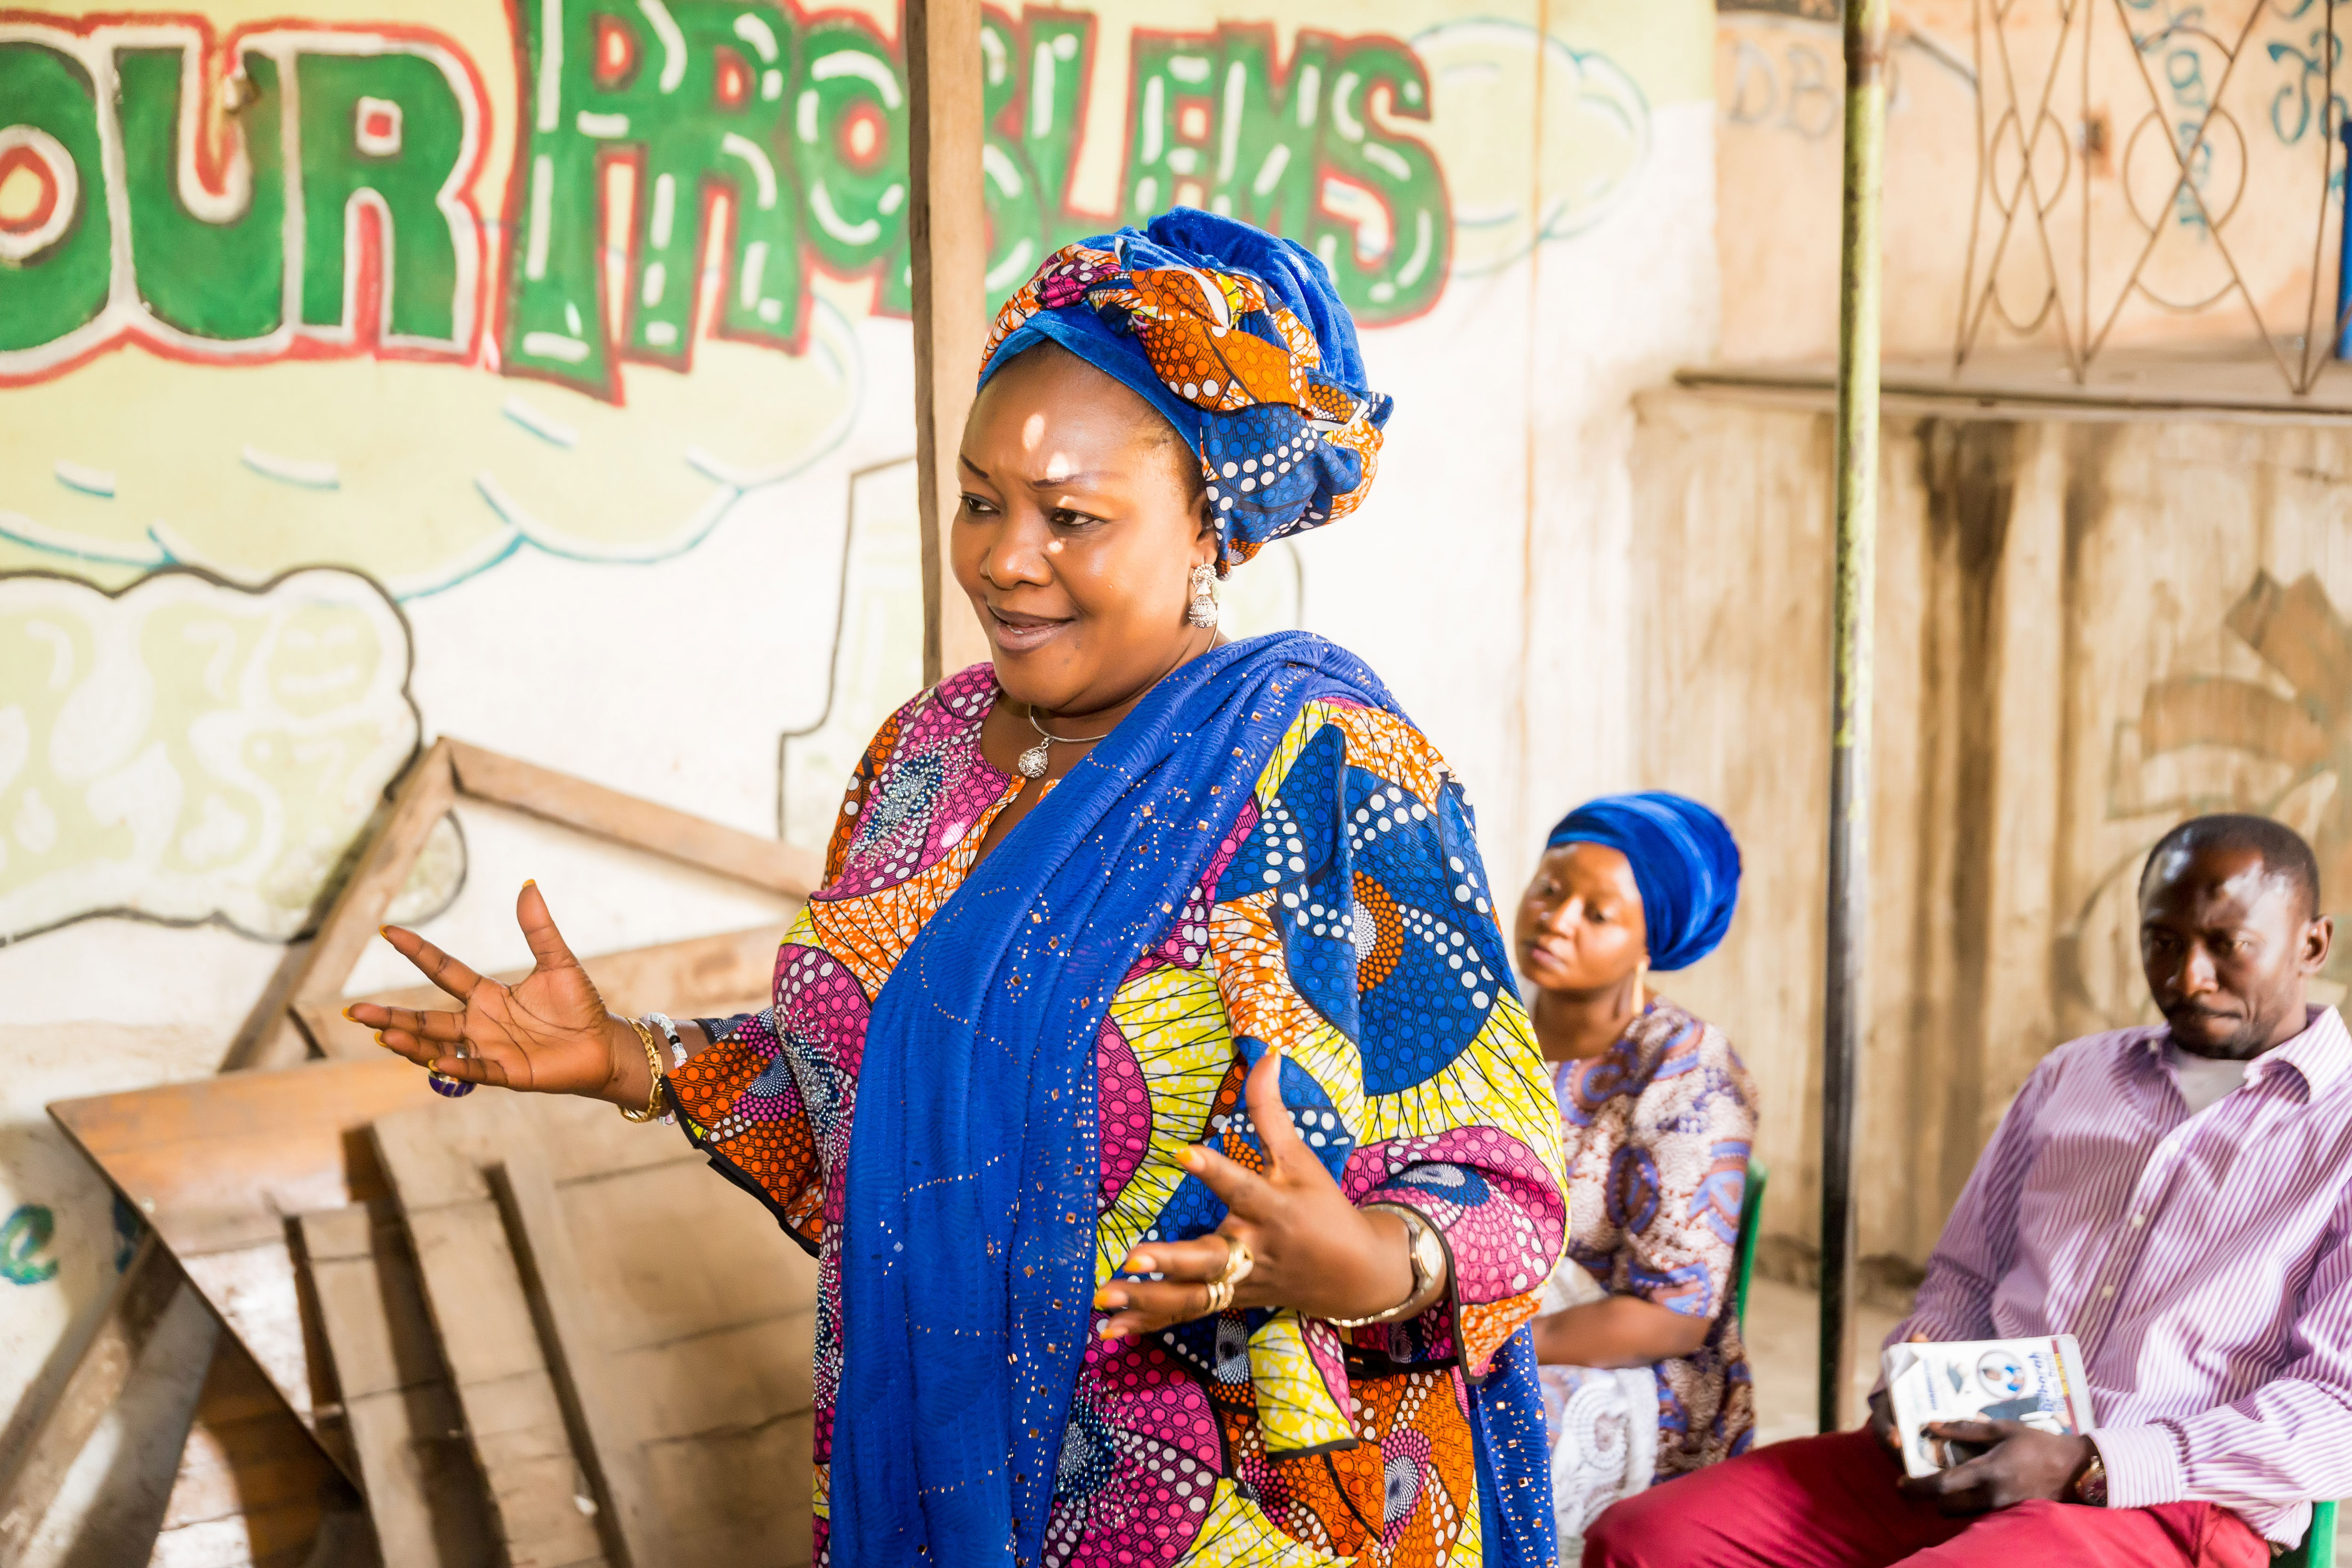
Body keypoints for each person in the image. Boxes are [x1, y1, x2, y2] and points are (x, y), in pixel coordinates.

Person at [350, 211, 1570, 1568]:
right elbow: (898, 1124)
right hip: (924, 1466)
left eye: (1074, 518)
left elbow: (1506, 1162)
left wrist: (1360, 1260)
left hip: (1231, 1511)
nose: (1004, 556)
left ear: (1209, 527)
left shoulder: (1327, 766)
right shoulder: (921, 755)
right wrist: (638, 1060)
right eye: (982, 498)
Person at [1585, 812, 2352, 1568]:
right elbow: (1965, 1276)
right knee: (1642, 1542)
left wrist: (2092, 1459)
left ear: (2311, 943)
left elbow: (2335, 1412)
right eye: (2162, 940)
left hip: (2170, 1505)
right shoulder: (2074, 1076)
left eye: (2230, 945)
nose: (2189, 976)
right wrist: (1916, 1376)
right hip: (1964, 1451)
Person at [1516, 794, 1755, 1553]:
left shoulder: (1685, 1071)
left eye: (1598, 912)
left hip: (1634, 1368)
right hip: (1495, 1320)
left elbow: (1673, 1312)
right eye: (1551, 890)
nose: (1557, 918)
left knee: (1468, 1429)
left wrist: (1499, 1341)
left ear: (1650, 941)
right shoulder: (1486, 1036)